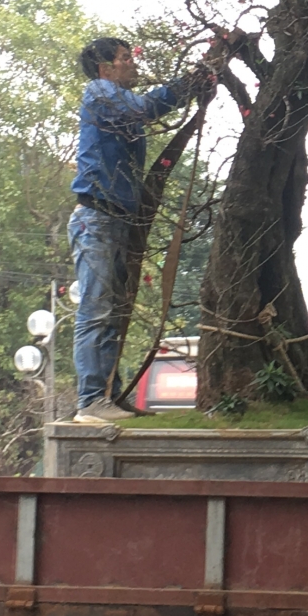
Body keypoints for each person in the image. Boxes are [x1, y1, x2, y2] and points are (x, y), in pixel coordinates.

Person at [70, 36, 213, 421]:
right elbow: (147, 108)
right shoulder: (100, 92)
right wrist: (188, 84)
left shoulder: (112, 103)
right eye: (124, 58)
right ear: (105, 68)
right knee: (97, 310)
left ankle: (108, 395)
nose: (132, 63)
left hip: (113, 218)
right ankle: (90, 401)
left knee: (114, 312)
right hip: (97, 219)